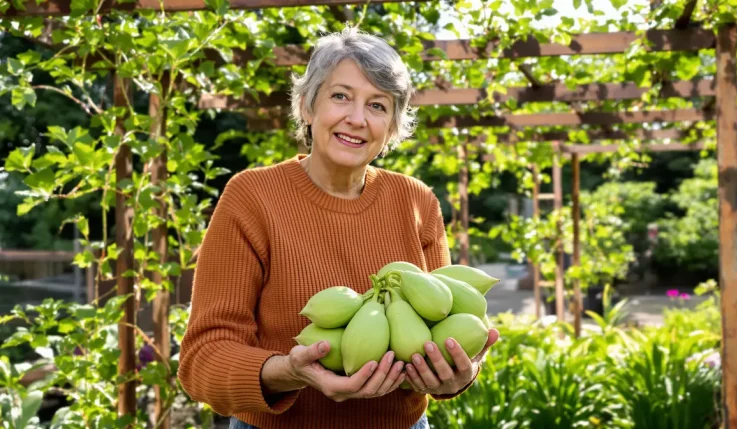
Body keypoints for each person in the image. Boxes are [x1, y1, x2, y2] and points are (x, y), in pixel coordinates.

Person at [177, 26, 500, 429]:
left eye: (378, 106)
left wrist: (456, 375)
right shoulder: (252, 197)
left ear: (393, 127)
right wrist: (289, 370)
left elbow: (438, 330)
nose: (357, 118)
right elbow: (202, 360)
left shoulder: (416, 202)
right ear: (307, 107)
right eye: (340, 96)